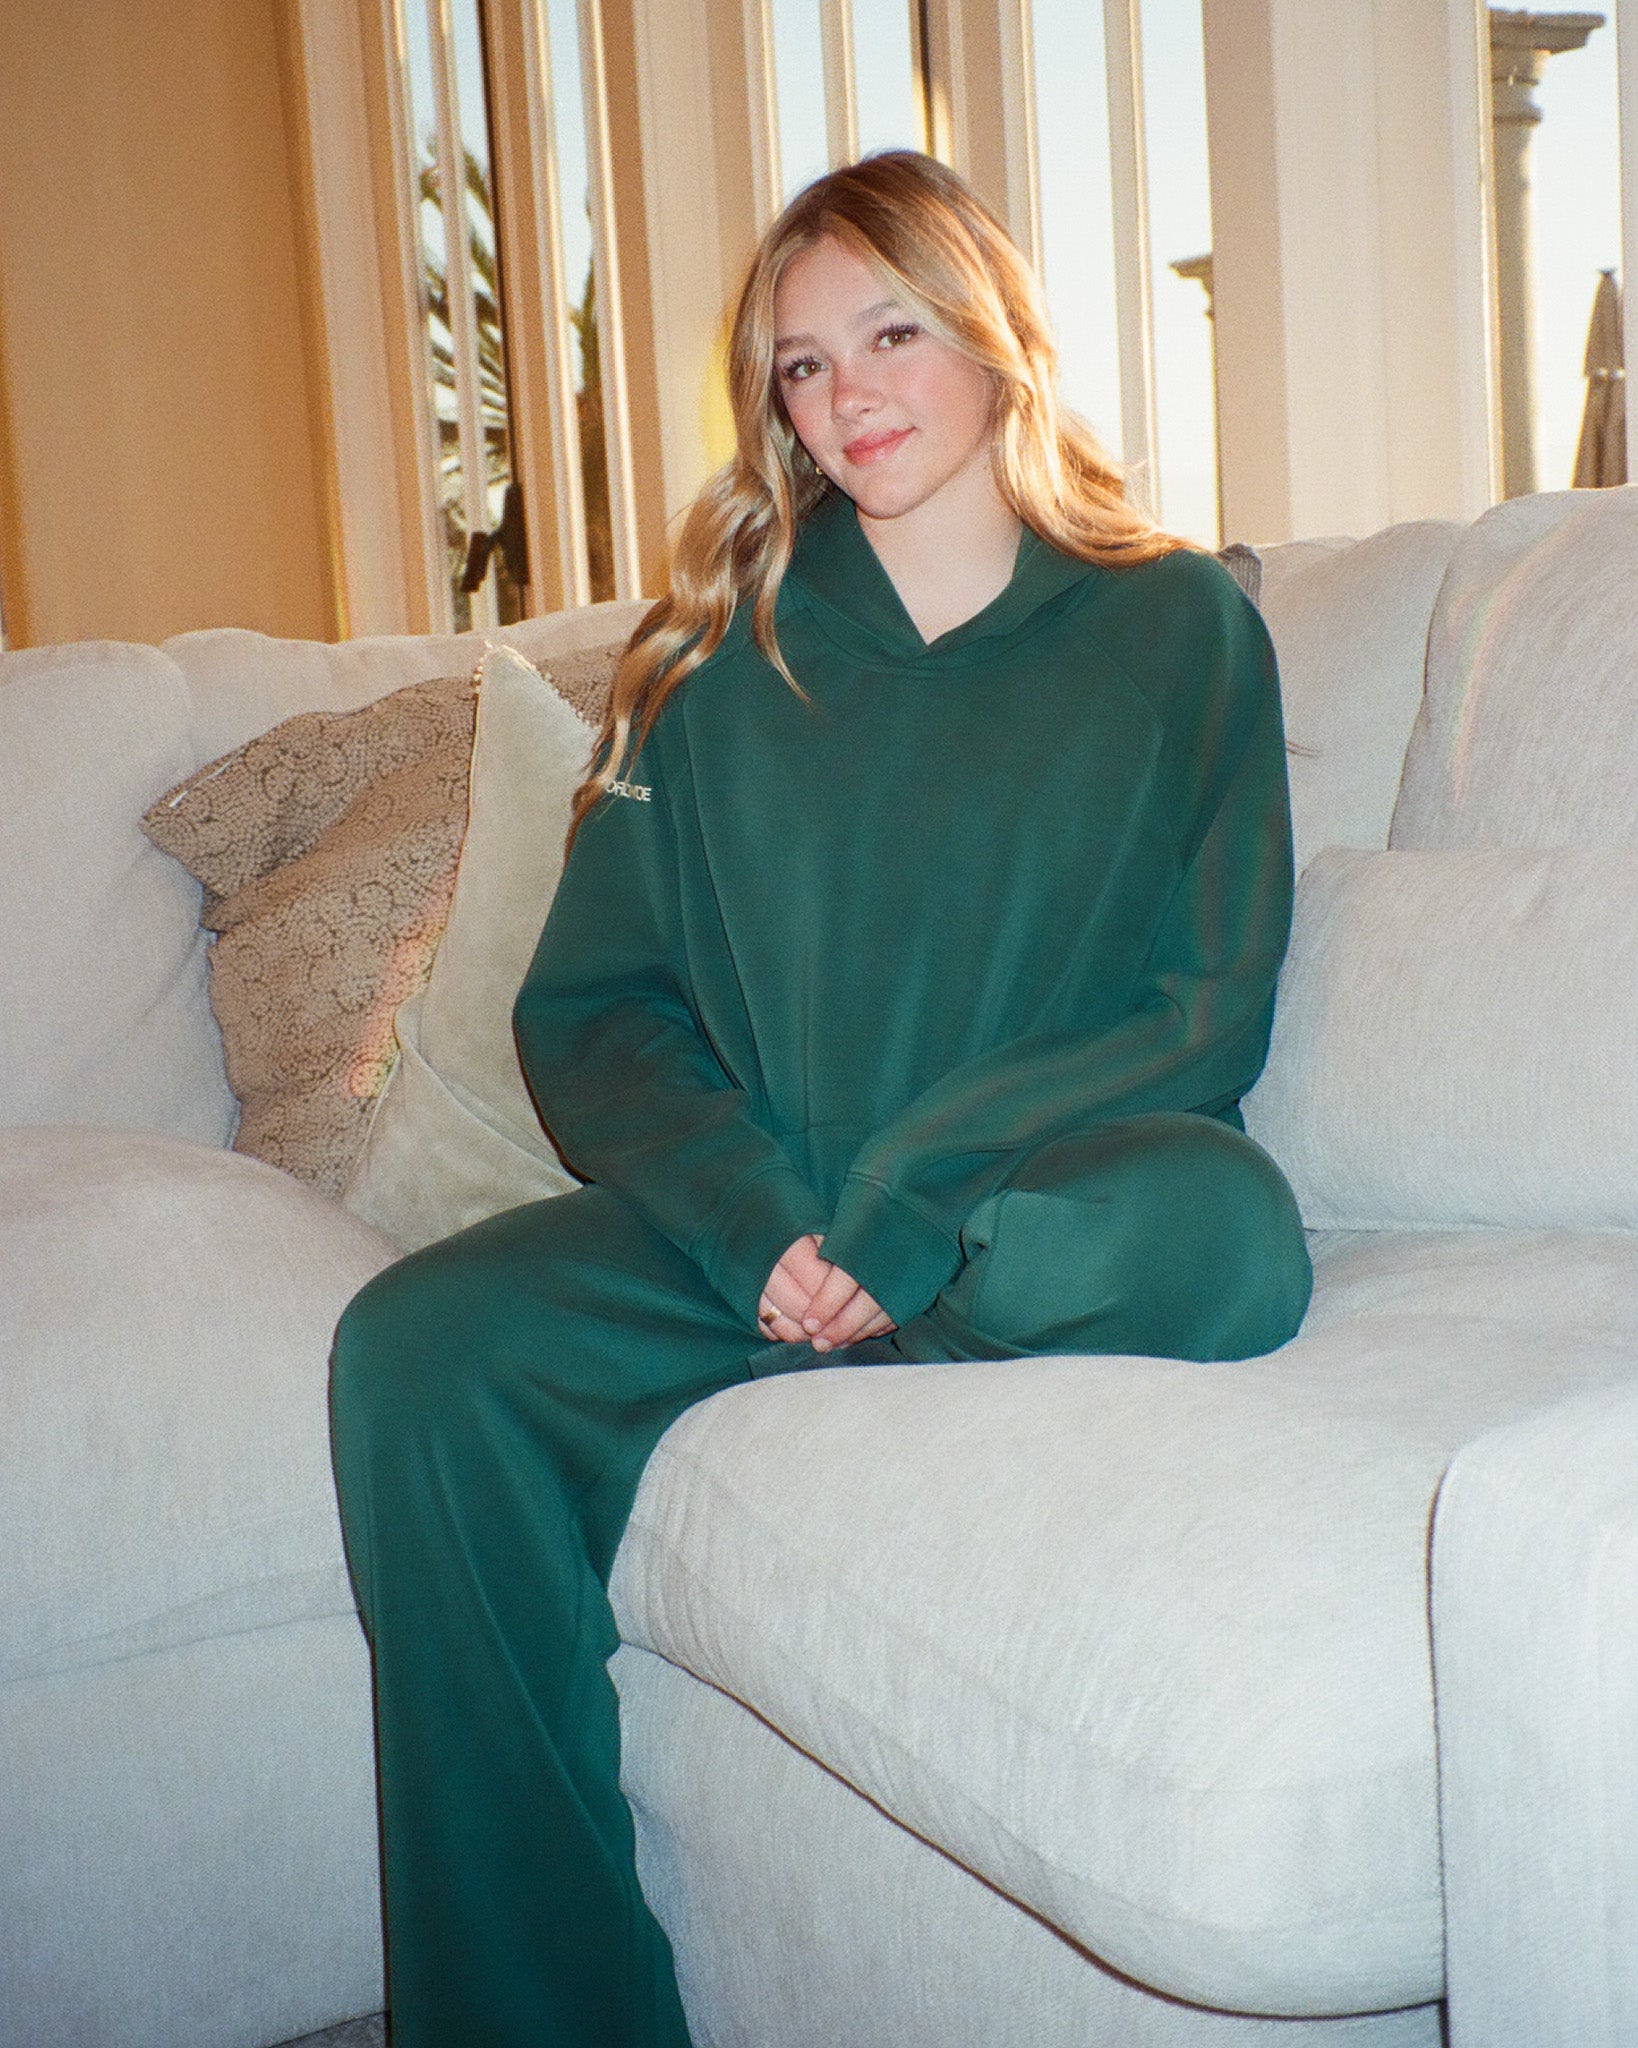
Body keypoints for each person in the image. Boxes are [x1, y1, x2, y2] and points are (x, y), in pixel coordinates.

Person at [329, 148, 1312, 2048]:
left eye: (891, 332)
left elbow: (1206, 1007)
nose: (850, 393)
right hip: (752, 1231)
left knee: (1221, 1237)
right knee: (415, 1352)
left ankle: (867, 1320)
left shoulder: (1178, 626)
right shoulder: (707, 661)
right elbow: (596, 1011)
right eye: (799, 364)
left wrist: (911, 1199)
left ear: (995, 341)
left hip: (1025, 1198)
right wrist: (759, 1220)